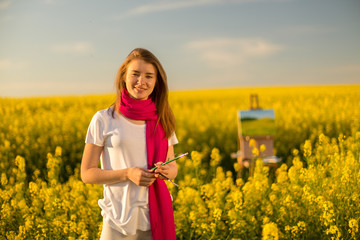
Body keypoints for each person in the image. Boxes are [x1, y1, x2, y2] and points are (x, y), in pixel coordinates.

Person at [81, 48, 178, 240]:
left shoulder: (163, 119)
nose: (141, 82)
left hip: (155, 218)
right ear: (124, 76)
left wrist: (166, 171)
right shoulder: (104, 119)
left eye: (149, 76)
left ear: (156, 82)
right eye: (135, 74)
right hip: (117, 220)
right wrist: (127, 174)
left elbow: (173, 166)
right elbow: (87, 174)